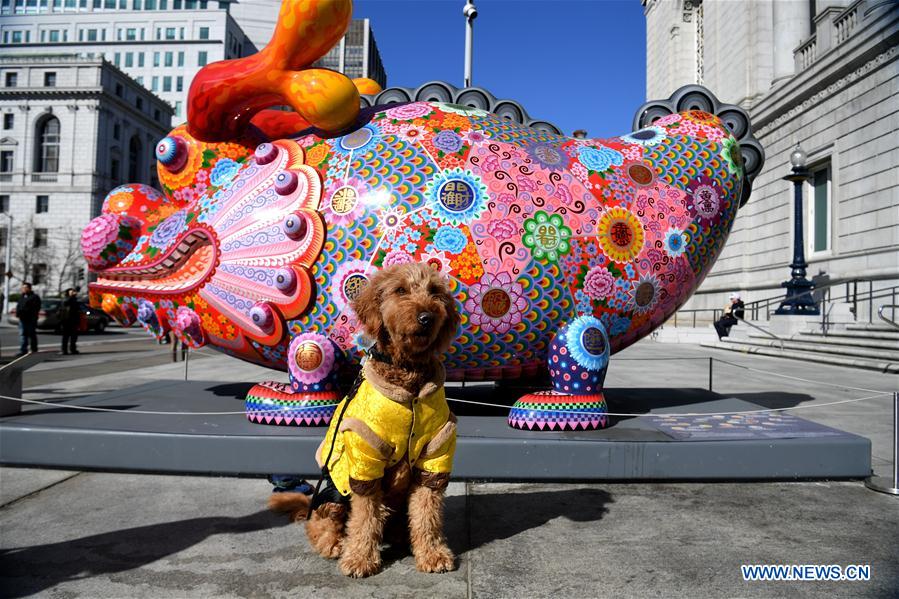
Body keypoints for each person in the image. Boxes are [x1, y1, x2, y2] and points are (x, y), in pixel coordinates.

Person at [16, 282, 41, 355]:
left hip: (30, 319)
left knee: (31, 334)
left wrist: (26, 312)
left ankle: (34, 349)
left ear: (29, 288)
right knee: (23, 335)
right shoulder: (22, 297)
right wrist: (18, 313)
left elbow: (35, 308)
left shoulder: (34, 297)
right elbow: (18, 306)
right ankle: (23, 350)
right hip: (22, 319)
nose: (23, 289)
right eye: (23, 287)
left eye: (25, 287)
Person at [58, 288, 81, 355]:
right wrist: (71, 296)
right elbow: (65, 303)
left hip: (73, 320)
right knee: (65, 336)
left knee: (74, 336)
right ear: (68, 292)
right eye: (72, 291)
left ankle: (73, 349)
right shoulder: (66, 298)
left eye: (74, 291)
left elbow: (77, 310)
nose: (73, 292)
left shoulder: (75, 299)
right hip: (66, 320)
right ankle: (64, 350)